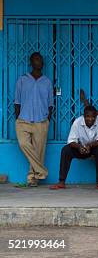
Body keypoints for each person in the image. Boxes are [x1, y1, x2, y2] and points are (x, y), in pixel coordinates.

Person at [14, 52, 54, 187]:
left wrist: (47, 119)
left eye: (41, 59)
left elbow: (50, 104)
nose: (40, 61)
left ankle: (32, 178)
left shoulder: (47, 81)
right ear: (31, 62)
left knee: (38, 150)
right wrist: (18, 117)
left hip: (41, 121)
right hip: (23, 119)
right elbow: (17, 101)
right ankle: (42, 171)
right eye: (36, 59)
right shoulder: (22, 80)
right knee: (23, 144)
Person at [50, 106, 98, 190]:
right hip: (80, 148)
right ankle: (61, 181)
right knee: (66, 150)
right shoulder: (77, 122)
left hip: (94, 148)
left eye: (93, 117)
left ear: (96, 116)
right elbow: (71, 141)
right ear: (83, 116)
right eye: (88, 116)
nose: (90, 119)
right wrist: (80, 147)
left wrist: (89, 146)